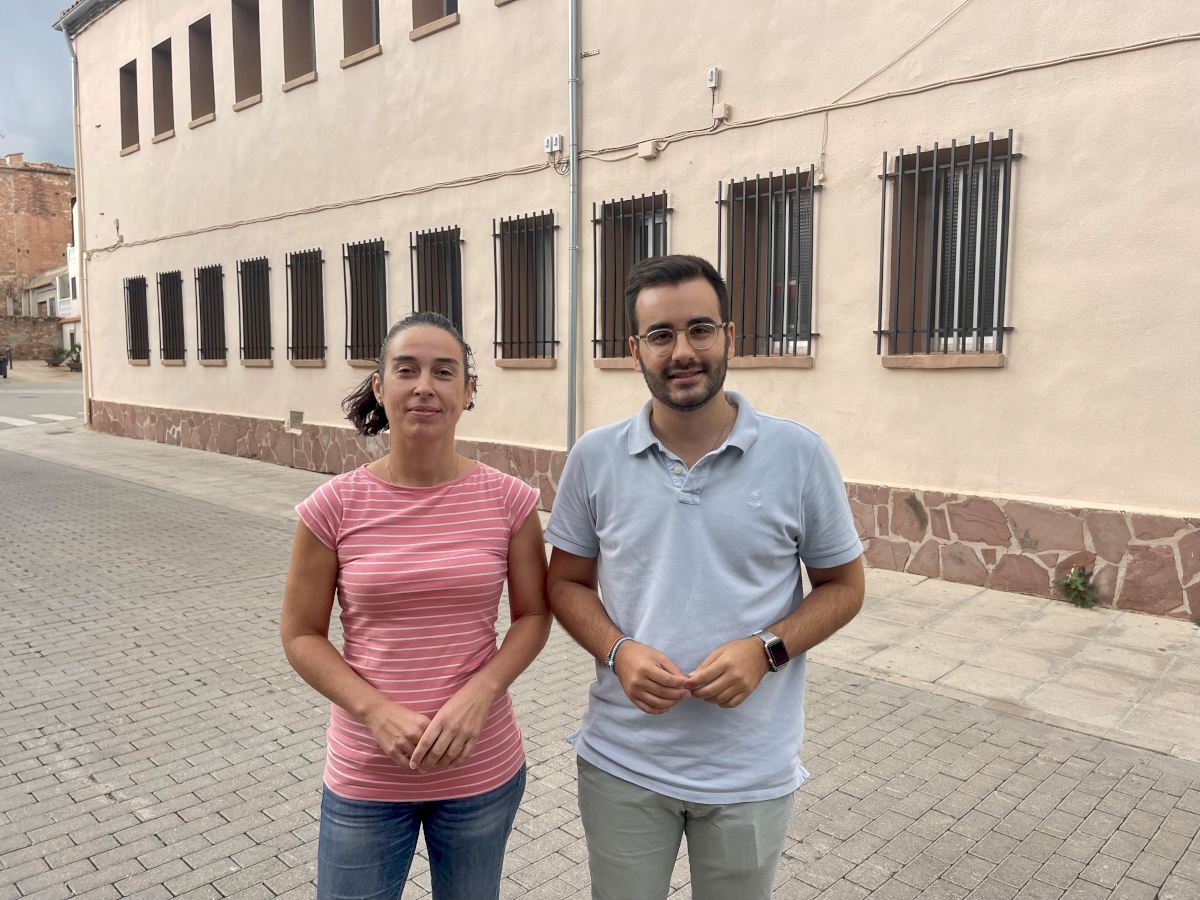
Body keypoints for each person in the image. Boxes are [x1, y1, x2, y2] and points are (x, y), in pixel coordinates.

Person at [546, 255, 866, 900]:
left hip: (750, 769)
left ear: (730, 336)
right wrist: (618, 650)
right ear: (635, 350)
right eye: (661, 335)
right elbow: (566, 583)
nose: (683, 352)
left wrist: (767, 650)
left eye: (700, 329)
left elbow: (845, 586)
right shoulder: (595, 457)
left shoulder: (799, 455)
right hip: (623, 761)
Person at [281, 311, 550, 900]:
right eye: (407, 370)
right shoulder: (333, 507)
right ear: (381, 387)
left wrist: (481, 693)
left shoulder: (510, 501)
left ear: (468, 391)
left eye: (443, 372)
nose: (424, 386)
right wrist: (374, 710)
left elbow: (533, 616)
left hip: (481, 768)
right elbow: (301, 635)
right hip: (367, 775)